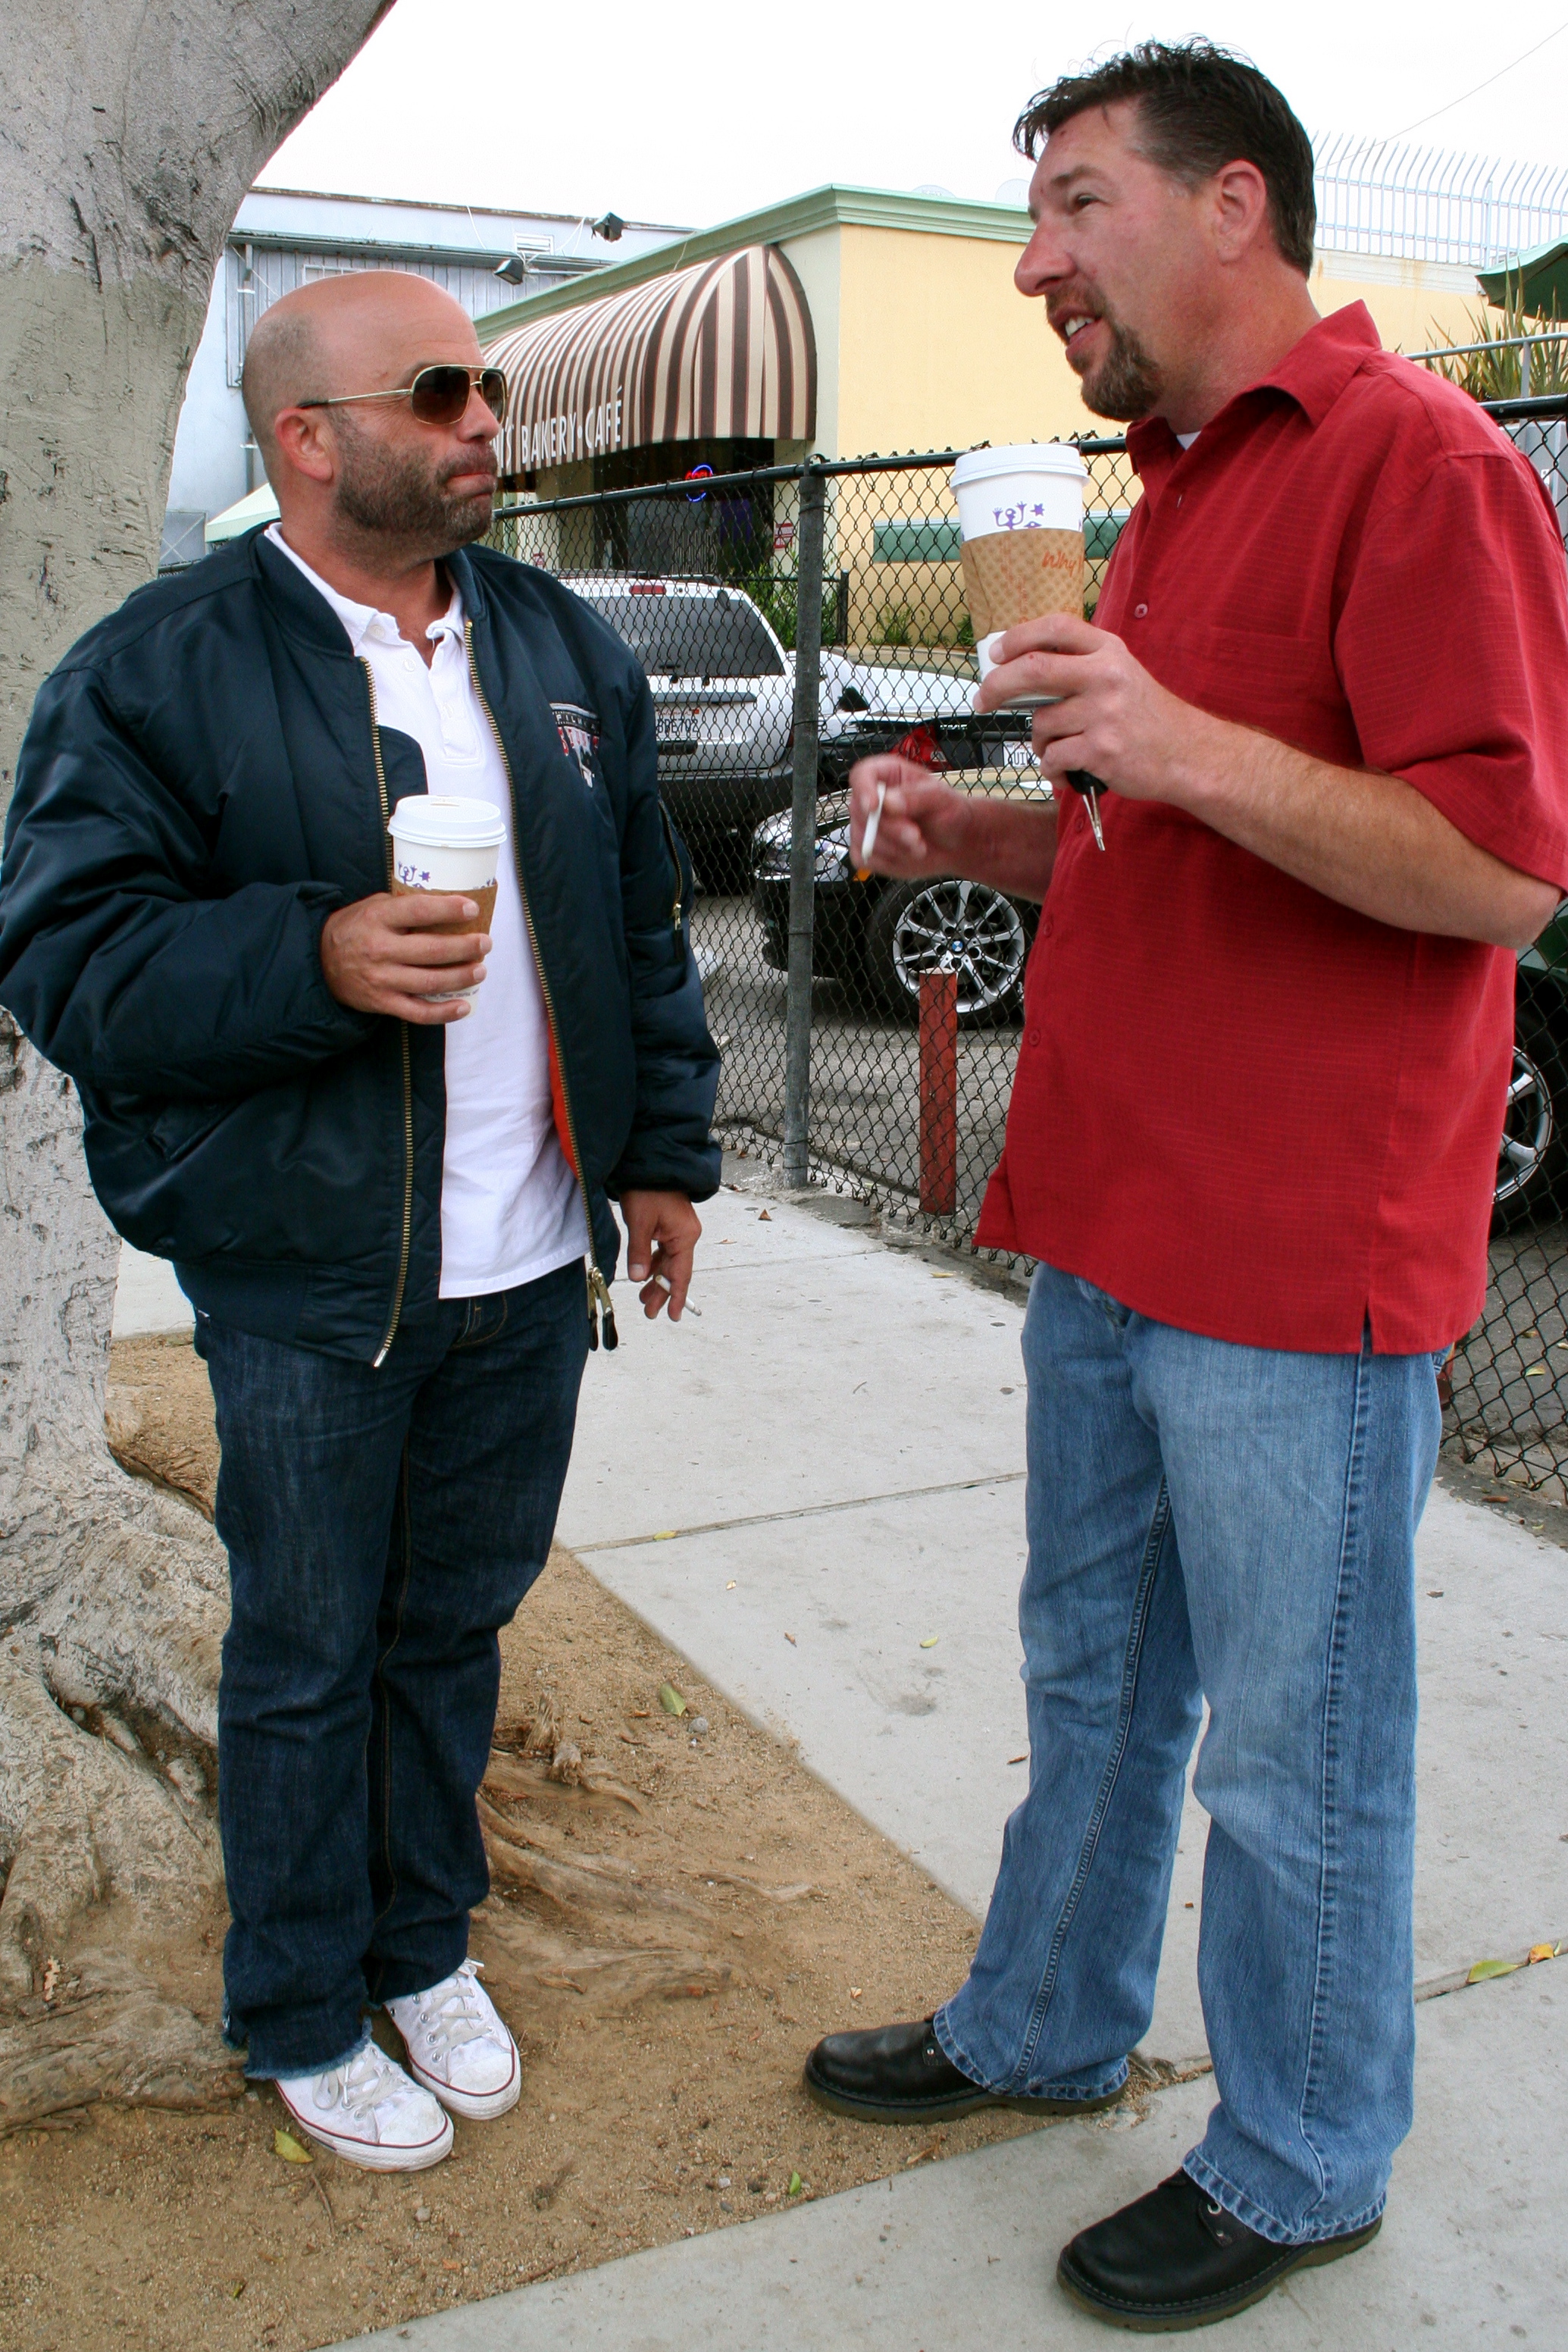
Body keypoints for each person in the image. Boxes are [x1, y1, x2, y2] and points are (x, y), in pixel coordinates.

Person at [803, 40, 1568, 2332]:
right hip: (1114, 1218)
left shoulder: (1419, 468)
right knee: (1090, 1681)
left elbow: (1494, 872)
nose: (1032, 262)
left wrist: (1162, 736)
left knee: (1293, 1750)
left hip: (1291, 1260)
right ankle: (1040, 2028)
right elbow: (1179, 827)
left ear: (1229, 207)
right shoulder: (1169, 485)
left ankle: (1302, 2151)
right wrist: (999, 829)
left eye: (1066, 206)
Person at [0, 271, 718, 2173]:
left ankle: (421, 1943)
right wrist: (313, 955)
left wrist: (660, 1159)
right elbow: (68, 957)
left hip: (525, 1260)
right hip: (317, 1278)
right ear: (305, 439)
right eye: (438, 392)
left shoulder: (561, 646)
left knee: (453, 1630)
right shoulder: (157, 669)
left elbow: (641, 929)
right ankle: (300, 2004)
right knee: (307, 1649)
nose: (486, 420)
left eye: (486, 386)